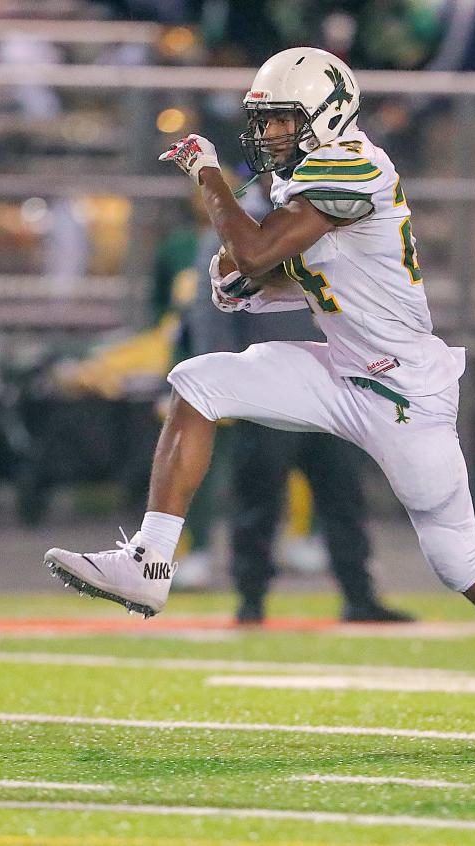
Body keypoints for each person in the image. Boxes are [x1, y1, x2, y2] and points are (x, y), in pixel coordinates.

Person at [45, 47, 475, 747]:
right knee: (199, 382)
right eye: (266, 122)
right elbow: (309, 271)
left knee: (459, 561)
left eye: (282, 121)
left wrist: (211, 180)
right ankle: (151, 560)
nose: (271, 135)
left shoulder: (353, 163)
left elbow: (256, 250)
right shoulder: (311, 176)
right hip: (343, 366)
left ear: (327, 115)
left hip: (403, 389)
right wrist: (255, 292)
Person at [187, 184, 414, 624]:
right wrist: (228, 383)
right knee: (258, 501)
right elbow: (212, 312)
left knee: (343, 496)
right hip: (269, 387)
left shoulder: (325, 219)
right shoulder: (237, 233)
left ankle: (359, 594)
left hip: (331, 383)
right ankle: (251, 599)